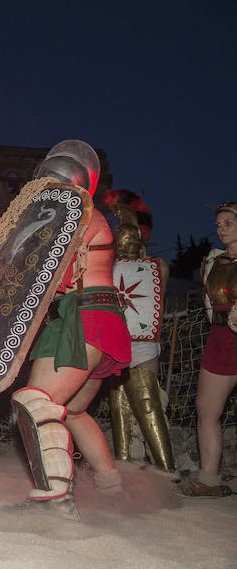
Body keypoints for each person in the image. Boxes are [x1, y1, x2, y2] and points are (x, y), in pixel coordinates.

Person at [11, 140, 131, 518]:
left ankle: (56, 498)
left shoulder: (81, 212)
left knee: (35, 402)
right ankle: (115, 491)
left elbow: (43, 264)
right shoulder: (83, 213)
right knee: (74, 411)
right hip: (96, 319)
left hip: (86, 319)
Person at [104, 192, 175, 474]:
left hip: (142, 343)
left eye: (130, 234)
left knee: (147, 404)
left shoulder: (156, 267)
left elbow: (152, 301)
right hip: (115, 343)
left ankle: (166, 471)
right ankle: (123, 466)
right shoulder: (106, 267)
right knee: (118, 407)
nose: (125, 239)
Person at [179, 201, 237, 497]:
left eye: (228, 222)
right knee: (206, 409)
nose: (221, 229)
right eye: (218, 224)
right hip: (220, 337)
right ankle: (209, 480)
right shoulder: (214, 261)